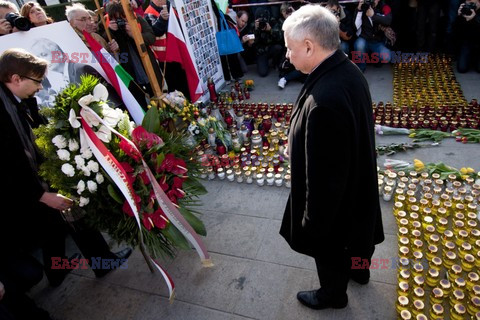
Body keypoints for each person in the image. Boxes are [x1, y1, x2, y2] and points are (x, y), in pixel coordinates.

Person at [279, 5, 384, 310]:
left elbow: (324, 184)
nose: (287, 55)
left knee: (331, 240)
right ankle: (360, 270)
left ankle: (333, 294)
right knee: (358, 229)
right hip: (358, 180)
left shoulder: (326, 99)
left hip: (337, 199)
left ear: (309, 46)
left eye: (290, 48)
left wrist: (312, 224)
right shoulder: (346, 69)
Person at [0, 48, 132, 285]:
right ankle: (99, 262)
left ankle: (58, 270)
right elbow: (7, 165)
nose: (40, 87)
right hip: (22, 187)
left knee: (52, 223)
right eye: (37, 81)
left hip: (35, 176)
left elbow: (36, 127)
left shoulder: (15, 98)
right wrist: (41, 195)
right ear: (15, 79)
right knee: (68, 213)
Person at [106, 1, 163, 107]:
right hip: (130, 73)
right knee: (139, 103)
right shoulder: (107, 27)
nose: (121, 21)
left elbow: (151, 38)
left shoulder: (137, 19)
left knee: (158, 97)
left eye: (123, 17)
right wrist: (112, 32)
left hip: (148, 67)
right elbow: (106, 44)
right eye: (116, 19)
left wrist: (134, 34)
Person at [144, 0, 191, 99]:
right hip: (165, 58)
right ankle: (181, 108)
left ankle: (190, 103)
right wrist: (162, 19)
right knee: (174, 86)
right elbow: (155, 32)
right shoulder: (149, 13)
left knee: (185, 80)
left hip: (178, 51)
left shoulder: (171, 8)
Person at [353, 0, 392, 72]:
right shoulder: (363, 6)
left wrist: (373, 16)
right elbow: (356, 26)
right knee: (359, 45)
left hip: (377, 41)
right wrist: (359, 10)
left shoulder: (384, 7)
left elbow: (388, 20)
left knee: (387, 57)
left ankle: (376, 60)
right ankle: (361, 68)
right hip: (364, 39)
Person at [454, 0, 480, 73]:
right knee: (462, 69)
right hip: (468, 42)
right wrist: (459, 16)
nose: (471, 5)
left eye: (473, 3)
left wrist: (474, 19)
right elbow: (456, 31)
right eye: (469, 3)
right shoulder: (465, 10)